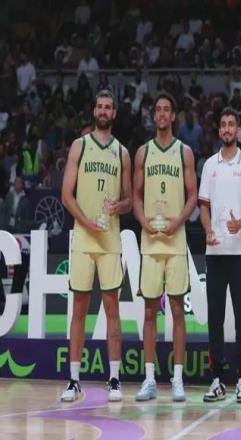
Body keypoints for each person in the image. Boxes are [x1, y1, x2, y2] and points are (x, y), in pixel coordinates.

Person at [60, 90, 132, 402]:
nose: (103, 111)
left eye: (108, 107)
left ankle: (114, 378)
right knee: (79, 307)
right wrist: (86, 221)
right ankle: (73, 380)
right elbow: (66, 194)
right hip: (84, 236)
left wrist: (120, 206)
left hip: (110, 238)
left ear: (114, 113)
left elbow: (129, 201)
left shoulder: (122, 153)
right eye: (99, 106)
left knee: (112, 307)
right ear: (94, 111)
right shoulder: (80, 145)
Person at [133, 92, 197, 402]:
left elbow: (193, 195)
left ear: (173, 116)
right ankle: (149, 380)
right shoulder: (143, 152)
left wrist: (178, 221)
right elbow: (135, 194)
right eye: (157, 109)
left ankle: (177, 380)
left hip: (175, 240)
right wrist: (143, 220)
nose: (161, 114)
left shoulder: (184, 152)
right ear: (154, 116)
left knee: (177, 310)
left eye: (166, 110)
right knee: (149, 311)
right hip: (150, 241)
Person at [199, 107, 241, 403]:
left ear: (238, 130)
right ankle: (216, 379)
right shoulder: (209, 165)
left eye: (231, 124)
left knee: (240, 320)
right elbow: (203, 206)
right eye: (223, 124)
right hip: (214, 253)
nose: (226, 129)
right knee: (214, 318)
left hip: (239, 253)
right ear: (219, 130)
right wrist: (208, 229)